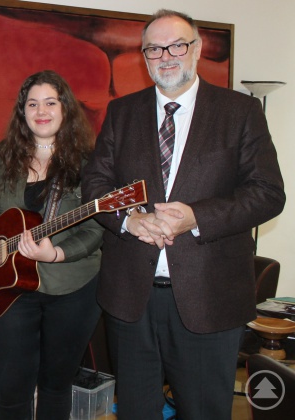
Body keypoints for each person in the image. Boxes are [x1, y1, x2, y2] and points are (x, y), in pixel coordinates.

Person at [81, 9, 285, 419]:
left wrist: (198, 217)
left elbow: (267, 194)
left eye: (177, 45)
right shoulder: (122, 112)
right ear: (144, 56)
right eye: (154, 49)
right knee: (135, 411)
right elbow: (95, 186)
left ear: (197, 48)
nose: (166, 56)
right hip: (131, 300)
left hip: (210, 298)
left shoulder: (240, 111)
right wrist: (130, 220)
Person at [0, 70, 103, 419]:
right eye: (32, 104)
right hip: (9, 291)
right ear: (23, 112)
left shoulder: (90, 164)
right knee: (10, 388)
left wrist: (57, 253)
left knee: (55, 385)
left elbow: (97, 229)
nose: (41, 111)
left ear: (65, 109)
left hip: (73, 288)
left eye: (50, 103)